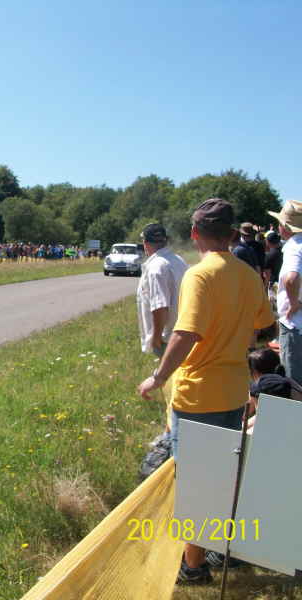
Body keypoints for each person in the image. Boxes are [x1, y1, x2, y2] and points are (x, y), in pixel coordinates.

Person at [137, 198, 274, 585]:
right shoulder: (247, 274)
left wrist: (159, 376)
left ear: (195, 234)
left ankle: (193, 567)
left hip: (200, 394)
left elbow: (186, 333)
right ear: (232, 234)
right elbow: (265, 327)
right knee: (219, 474)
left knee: (196, 482)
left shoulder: (200, 276)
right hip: (234, 390)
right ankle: (217, 549)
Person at [136, 224, 188, 357]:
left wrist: (156, 337)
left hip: (167, 339)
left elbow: (160, 307)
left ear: (146, 243)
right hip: (183, 333)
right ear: (165, 241)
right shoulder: (179, 260)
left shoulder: (155, 268)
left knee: (167, 376)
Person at [269, 199, 302, 384]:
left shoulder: (294, 246)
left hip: (294, 325)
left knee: (294, 384)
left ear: (285, 227)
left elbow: (291, 278)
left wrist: (294, 303)